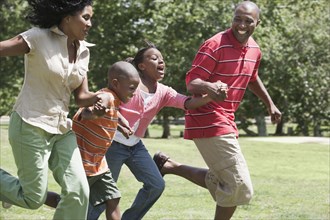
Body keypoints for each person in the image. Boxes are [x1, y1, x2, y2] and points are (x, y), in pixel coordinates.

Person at [153, 1, 282, 220]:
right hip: (207, 117)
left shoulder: (254, 49)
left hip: (226, 118)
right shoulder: (215, 44)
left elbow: (252, 78)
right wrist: (210, 87)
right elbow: (191, 81)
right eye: (237, 19)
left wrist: (270, 103)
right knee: (240, 186)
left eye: (248, 21)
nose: (241, 25)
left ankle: (169, 166)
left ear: (257, 23)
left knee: (227, 181)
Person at [88, 41, 225, 220]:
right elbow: (103, 99)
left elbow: (187, 103)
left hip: (135, 147)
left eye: (162, 59)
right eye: (154, 58)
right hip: (112, 146)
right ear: (141, 66)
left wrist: (210, 97)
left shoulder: (164, 91)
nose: (161, 62)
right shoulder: (128, 84)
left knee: (156, 185)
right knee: (102, 196)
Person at [0, 0, 109, 219]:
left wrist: (102, 98)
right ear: (67, 17)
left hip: (62, 130)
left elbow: (81, 97)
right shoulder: (38, 37)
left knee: (79, 191)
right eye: (86, 18)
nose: (90, 24)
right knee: (33, 198)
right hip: (30, 124)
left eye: (91, 19)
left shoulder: (83, 50)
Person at [72, 61, 140, 220]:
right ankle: (22, 193)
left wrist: (120, 125)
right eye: (131, 88)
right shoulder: (106, 96)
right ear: (116, 83)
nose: (134, 93)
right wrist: (92, 113)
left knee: (113, 198)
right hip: (85, 163)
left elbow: (109, 114)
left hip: (99, 164)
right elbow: (91, 110)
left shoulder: (114, 100)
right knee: (69, 202)